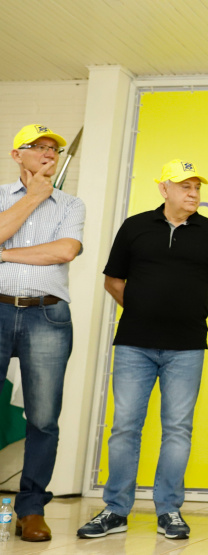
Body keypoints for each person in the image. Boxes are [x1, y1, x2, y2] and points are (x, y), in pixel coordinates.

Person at [77, 159, 208, 540]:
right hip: (134, 345)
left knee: (177, 429)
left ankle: (169, 511)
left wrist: (183, 311)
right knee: (125, 427)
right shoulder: (135, 227)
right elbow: (114, 280)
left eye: (197, 187)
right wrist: (145, 308)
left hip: (187, 347)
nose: (193, 193)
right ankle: (115, 509)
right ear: (164, 189)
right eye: (185, 187)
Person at [0, 124, 85, 542]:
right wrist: (33, 199)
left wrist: (3, 252)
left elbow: (65, 251)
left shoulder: (71, 204)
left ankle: (31, 509)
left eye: (54, 148)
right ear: (18, 155)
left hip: (47, 316)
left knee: (45, 419)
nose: (49, 153)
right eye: (39, 147)